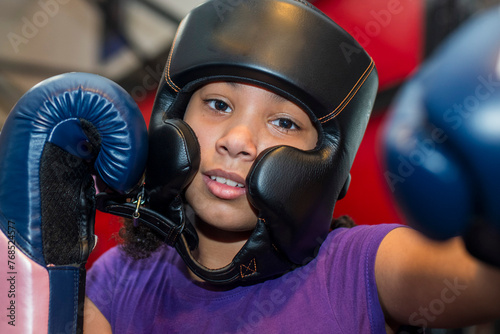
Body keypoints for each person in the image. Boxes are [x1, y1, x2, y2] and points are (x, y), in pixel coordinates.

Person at [84, 0, 500, 333]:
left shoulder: (359, 267)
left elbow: (483, 282)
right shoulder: (122, 277)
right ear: (172, 119)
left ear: (327, 165)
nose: (237, 141)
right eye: (218, 104)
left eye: (284, 122)